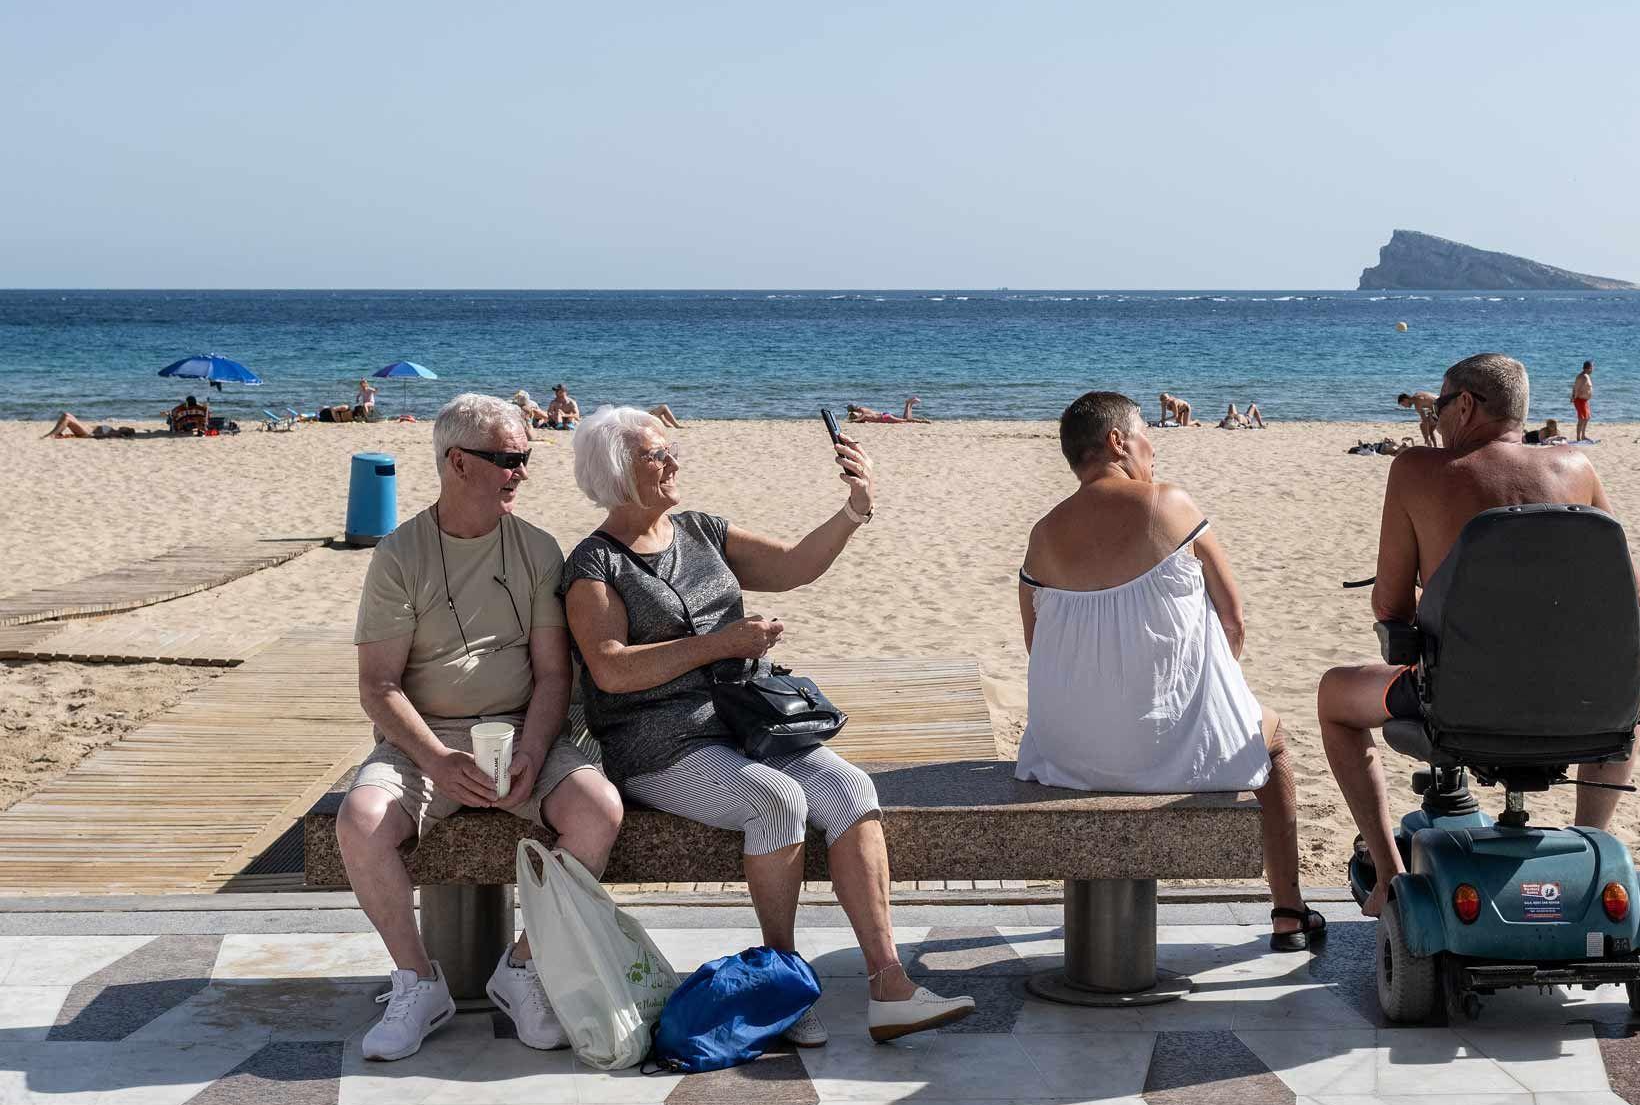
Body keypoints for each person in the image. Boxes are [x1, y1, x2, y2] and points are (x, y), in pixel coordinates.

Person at [560, 405, 974, 1045]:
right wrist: (721, 644)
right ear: (618, 472)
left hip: (740, 726)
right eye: (655, 455)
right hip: (658, 747)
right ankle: (783, 986)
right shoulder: (594, 566)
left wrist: (853, 511)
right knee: (777, 801)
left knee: (852, 790)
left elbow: (793, 566)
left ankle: (888, 984)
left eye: (670, 450)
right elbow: (611, 671)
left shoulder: (700, 530)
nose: (674, 461)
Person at [338, 393, 625, 1061]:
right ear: (457, 463)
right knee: (359, 820)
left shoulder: (535, 550)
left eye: (525, 459)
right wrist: (437, 759)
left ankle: (522, 970)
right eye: (508, 460)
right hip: (425, 742)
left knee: (598, 811)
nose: (521, 472)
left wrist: (531, 747)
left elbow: (555, 676)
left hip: (524, 731)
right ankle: (417, 981)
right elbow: (377, 687)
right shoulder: (399, 555)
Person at [1316, 354, 1640, 915]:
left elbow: (1390, 607)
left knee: (1333, 698)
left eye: (1439, 406)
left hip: (1459, 703)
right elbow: (1629, 594)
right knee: (1624, 705)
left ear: (1464, 405)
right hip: (1585, 706)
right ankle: (1590, 845)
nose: (1436, 419)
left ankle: (1389, 876)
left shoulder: (1418, 470)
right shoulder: (1577, 468)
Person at [1016, 392, 1321, 950]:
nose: (1152, 452)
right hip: (1167, 749)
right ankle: (1288, 912)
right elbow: (1234, 622)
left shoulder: (1041, 534)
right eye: (1145, 438)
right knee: (1274, 744)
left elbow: (1038, 645)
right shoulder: (1168, 503)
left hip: (1065, 755)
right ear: (1117, 442)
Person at [45, 412, 134, 439]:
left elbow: (102, 435)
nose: (124, 426)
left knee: (67, 416)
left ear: (124, 431)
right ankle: (53, 434)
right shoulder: (113, 430)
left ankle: (51, 435)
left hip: (87, 432)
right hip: (85, 430)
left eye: (126, 428)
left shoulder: (115, 433)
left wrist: (92, 435)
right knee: (66, 416)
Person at [1572, 361, 1594, 442]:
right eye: (1592, 367)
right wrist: (1574, 397)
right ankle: (1578, 438)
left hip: (1584, 400)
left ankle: (1583, 435)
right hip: (1580, 400)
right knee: (1581, 419)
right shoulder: (1583, 377)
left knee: (1587, 417)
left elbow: (1576, 386)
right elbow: (1576, 387)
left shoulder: (1586, 376)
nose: (1593, 369)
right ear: (1589, 368)